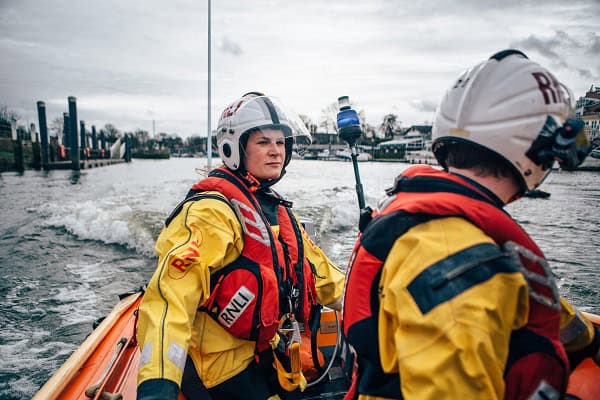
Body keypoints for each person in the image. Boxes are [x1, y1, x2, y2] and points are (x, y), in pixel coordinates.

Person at [342, 49, 600, 399]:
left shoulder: (450, 231)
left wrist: (589, 338)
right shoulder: (456, 256)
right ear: (535, 150)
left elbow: (540, 304)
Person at [136, 92, 345, 400]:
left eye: (281, 142)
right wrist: (157, 388)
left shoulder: (277, 212)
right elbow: (169, 301)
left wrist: (375, 304)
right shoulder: (210, 213)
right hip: (219, 374)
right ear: (233, 148)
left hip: (266, 356)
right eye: (263, 142)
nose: (275, 151)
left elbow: (323, 276)